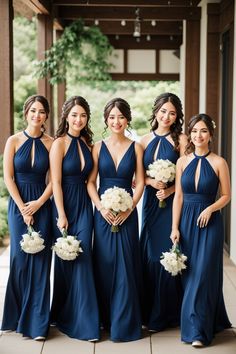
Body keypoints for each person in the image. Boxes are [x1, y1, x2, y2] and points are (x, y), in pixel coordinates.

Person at [170, 113, 231, 347]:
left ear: (211, 135)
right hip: (185, 223)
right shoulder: (182, 162)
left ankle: (197, 332)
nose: (198, 135)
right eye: (194, 131)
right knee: (190, 275)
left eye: (203, 131)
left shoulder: (219, 162)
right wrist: (174, 227)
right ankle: (206, 321)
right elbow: (178, 196)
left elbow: (227, 195)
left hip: (210, 224)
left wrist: (210, 209)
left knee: (203, 275)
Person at [87, 97, 144, 342]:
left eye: (120, 117)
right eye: (112, 117)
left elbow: (140, 181)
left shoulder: (137, 147)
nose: (116, 121)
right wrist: (100, 207)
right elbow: (90, 182)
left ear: (127, 119)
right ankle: (105, 320)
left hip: (127, 214)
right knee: (105, 263)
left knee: (126, 265)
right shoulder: (97, 147)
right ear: (106, 120)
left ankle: (126, 323)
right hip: (103, 214)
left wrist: (130, 207)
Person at [1, 95, 53, 340]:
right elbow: (8, 178)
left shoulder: (52, 143)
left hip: (42, 203)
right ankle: (15, 316)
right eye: (33, 110)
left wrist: (40, 203)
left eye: (42, 111)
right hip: (18, 203)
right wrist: (23, 208)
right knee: (20, 260)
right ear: (26, 113)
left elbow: (55, 180)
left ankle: (38, 323)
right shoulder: (13, 141)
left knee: (41, 263)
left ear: (46, 115)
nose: (37, 115)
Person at [49, 96, 100, 341]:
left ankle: (84, 318)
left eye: (82, 115)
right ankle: (67, 315)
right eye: (74, 115)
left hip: (84, 204)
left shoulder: (89, 144)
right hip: (65, 205)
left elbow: (93, 177)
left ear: (87, 118)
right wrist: (60, 214)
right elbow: (56, 181)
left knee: (83, 255)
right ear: (66, 117)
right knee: (67, 259)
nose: (78, 120)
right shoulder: (58, 144)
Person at [139, 92, 188, 332]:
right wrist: (150, 182)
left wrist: (169, 191)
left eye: (172, 112)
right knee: (149, 256)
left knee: (169, 255)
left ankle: (168, 314)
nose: (166, 116)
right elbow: (136, 177)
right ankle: (149, 312)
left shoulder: (182, 139)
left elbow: (187, 174)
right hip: (150, 203)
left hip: (172, 204)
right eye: (163, 111)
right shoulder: (143, 141)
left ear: (177, 115)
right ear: (156, 111)